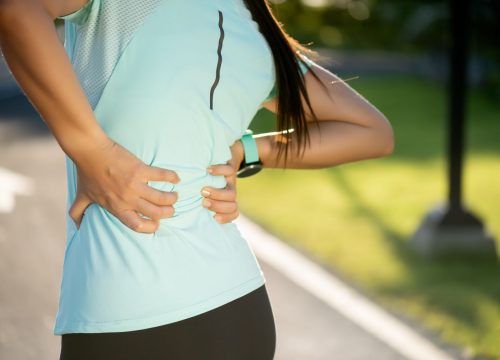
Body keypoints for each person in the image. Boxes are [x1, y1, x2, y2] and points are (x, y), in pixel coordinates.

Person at [0, 0, 394, 359]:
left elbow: (17, 10)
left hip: (127, 309)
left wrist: (94, 153)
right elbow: (373, 131)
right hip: (240, 309)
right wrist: (250, 151)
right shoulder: (258, 37)